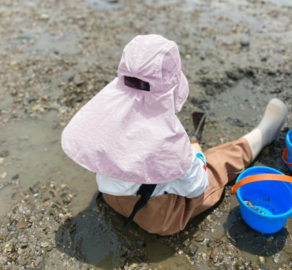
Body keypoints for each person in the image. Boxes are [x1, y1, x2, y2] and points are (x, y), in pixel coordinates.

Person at [61, 35, 288, 236]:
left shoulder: (103, 113)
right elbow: (196, 187)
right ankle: (262, 134)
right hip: (155, 217)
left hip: (112, 198)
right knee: (217, 163)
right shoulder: (166, 142)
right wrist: (196, 156)